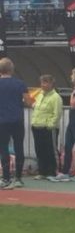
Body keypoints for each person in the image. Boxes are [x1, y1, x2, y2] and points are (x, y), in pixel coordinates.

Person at [0, 58, 31, 189]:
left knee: (3, 148)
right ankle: (18, 178)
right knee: (19, 147)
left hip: (2, 121)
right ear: (12, 69)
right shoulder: (20, 83)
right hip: (17, 119)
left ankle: (5, 178)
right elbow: (29, 102)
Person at [30, 74, 62, 180]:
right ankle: (42, 172)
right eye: (42, 82)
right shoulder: (39, 95)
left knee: (51, 150)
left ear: (52, 84)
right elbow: (35, 107)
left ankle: (53, 172)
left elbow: (57, 114)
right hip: (36, 127)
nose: (42, 85)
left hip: (48, 128)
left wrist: (50, 125)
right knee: (40, 150)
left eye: (45, 82)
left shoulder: (56, 97)